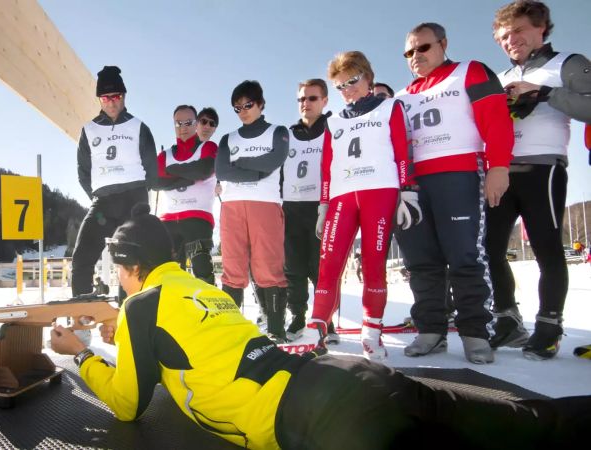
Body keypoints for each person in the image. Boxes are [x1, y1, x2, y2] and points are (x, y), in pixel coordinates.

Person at [49, 204, 591, 450]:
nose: (118, 284)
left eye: (117, 273)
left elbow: (127, 404)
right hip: (347, 377)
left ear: (129, 268)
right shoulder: (205, 289)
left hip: (323, 423)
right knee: (535, 422)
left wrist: (79, 352)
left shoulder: (145, 306)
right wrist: (118, 330)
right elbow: (195, 345)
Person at [395, 22, 514, 364]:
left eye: (423, 48)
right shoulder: (402, 97)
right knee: (420, 261)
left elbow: (496, 119)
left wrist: (499, 166)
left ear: (443, 43)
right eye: (409, 52)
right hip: (414, 185)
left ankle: (475, 332)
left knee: (465, 256)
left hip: (458, 175)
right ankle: (431, 330)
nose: (415, 56)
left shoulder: (469, 71)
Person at [488, 0, 591, 360]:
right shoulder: (499, 78)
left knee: (546, 247)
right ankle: (506, 320)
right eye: (503, 36)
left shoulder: (567, 63)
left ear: (540, 27)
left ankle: (549, 326)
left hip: (542, 168)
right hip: (500, 170)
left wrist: (546, 93)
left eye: (518, 30)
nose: (510, 40)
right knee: (490, 249)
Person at [308, 51, 416, 361]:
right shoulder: (333, 120)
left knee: (373, 264)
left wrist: (407, 191)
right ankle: (317, 327)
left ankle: (372, 332)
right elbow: (327, 165)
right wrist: (323, 205)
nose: (347, 90)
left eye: (352, 82)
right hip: (342, 196)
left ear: (368, 77)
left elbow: (402, 150)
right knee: (328, 264)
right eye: (340, 86)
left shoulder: (390, 106)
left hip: (378, 192)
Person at [72, 66, 158, 298]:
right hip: (103, 202)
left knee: (131, 262)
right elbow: (83, 170)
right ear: (99, 99)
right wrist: (99, 194)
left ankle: (130, 312)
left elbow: (152, 167)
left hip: (134, 200)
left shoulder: (138, 127)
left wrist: (140, 194)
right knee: (82, 256)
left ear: (124, 96)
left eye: (116, 96)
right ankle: (82, 316)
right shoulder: (89, 130)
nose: (111, 102)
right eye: (105, 97)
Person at [215, 80, 290, 343]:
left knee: (267, 267)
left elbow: (272, 162)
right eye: (237, 108)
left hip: (265, 205)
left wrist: (241, 164)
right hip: (232, 207)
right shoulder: (228, 139)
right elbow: (222, 171)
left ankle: (276, 329)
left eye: (248, 105)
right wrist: (254, 169)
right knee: (232, 267)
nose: (243, 111)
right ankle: (232, 329)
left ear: (260, 104)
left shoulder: (277, 132)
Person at [281, 78, 332, 341]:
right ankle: (298, 316)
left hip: (322, 206)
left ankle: (326, 319)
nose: (306, 103)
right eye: (301, 98)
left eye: (312, 98)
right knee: (294, 268)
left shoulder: (333, 128)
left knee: (320, 268)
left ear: (324, 101)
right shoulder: (287, 134)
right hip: (291, 207)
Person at [154, 105, 217, 284]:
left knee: (202, 271)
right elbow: (155, 182)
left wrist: (171, 171)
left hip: (198, 216)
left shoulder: (208, 146)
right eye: (178, 123)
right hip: (168, 219)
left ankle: (208, 309)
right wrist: (188, 177)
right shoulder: (165, 155)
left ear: (196, 123)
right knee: (167, 275)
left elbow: (203, 170)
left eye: (188, 122)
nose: (183, 127)